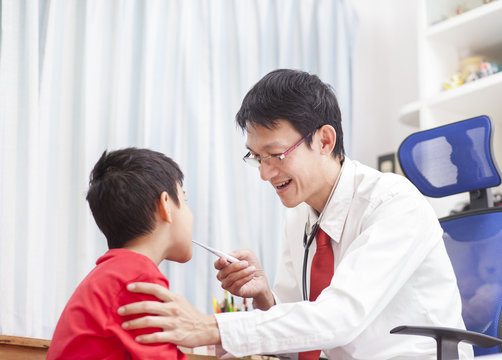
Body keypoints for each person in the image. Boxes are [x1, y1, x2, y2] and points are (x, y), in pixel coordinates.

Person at [117, 70, 473, 359]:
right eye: (256, 157)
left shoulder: (394, 204)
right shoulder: (299, 218)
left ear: (325, 140)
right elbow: (301, 332)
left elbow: (339, 318)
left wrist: (210, 327)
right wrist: (264, 297)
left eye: (275, 154)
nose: (264, 173)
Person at [46, 148, 193, 360]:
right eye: (185, 200)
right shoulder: (138, 278)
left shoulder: (115, 272)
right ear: (166, 205)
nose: (190, 213)